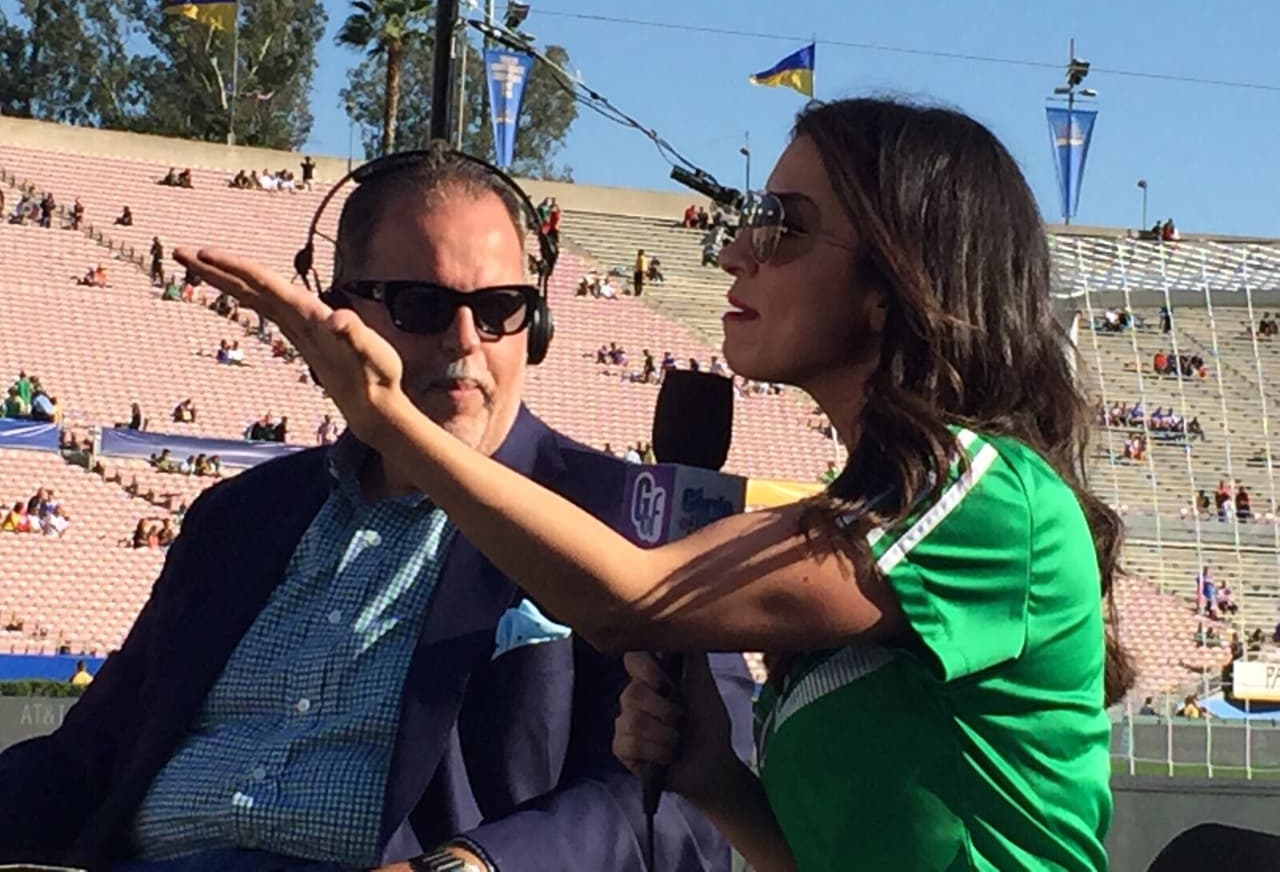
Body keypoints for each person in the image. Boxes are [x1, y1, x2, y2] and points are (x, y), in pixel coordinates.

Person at [179, 98, 1130, 872]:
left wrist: (390, 417)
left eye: (786, 229)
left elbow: (630, 601)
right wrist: (713, 780)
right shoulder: (875, 510)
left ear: (894, 284)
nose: (734, 252)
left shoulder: (985, 493)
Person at [0, 145, 754, 872]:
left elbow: (678, 811)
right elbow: (85, 759)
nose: (466, 340)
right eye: (422, 306)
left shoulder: (629, 519)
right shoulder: (235, 517)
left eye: (499, 309)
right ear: (338, 320)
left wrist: (470, 867)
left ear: (540, 328)